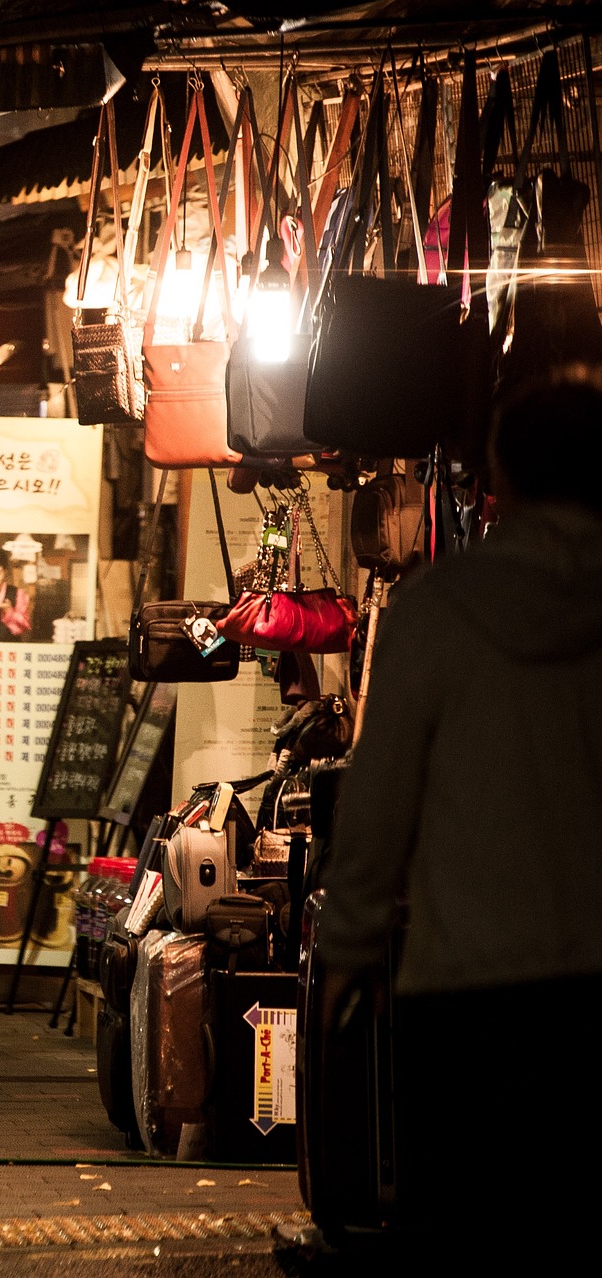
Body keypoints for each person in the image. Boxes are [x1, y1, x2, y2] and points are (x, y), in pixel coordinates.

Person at [314, 366, 602, 1262]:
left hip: (465, 996)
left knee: (471, 1234)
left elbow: (378, 806)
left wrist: (349, 956)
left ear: (499, 479)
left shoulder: (438, 613)